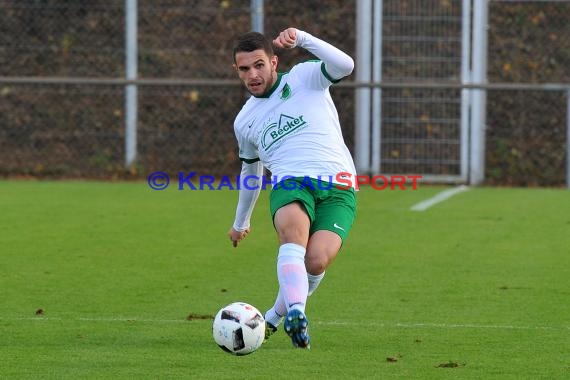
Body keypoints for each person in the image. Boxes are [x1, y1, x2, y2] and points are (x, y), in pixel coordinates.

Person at [227, 27, 357, 349]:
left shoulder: (304, 77)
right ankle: (298, 312)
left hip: (339, 184)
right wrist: (240, 222)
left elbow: (345, 65)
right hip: (290, 182)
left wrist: (304, 39)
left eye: (259, 65)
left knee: (315, 262)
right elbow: (251, 171)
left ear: (273, 62)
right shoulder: (245, 121)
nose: (252, 75)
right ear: (237, 71)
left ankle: (270, 318)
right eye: (244, 69)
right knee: (292, 234)